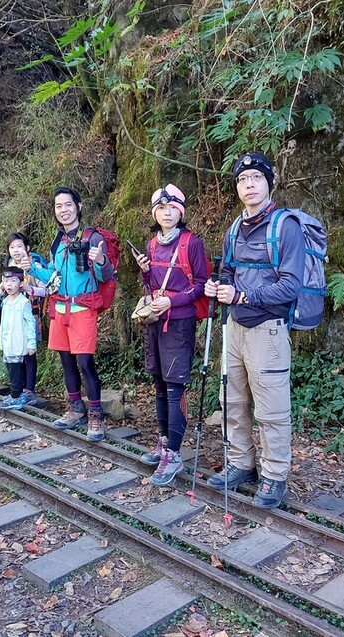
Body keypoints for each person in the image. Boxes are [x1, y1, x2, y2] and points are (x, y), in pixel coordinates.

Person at [204, 151, 305, 509]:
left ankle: (275, 475)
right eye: (243, 180)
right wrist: (220, 286)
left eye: (256, 178)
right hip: (235, 327)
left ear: (268, 183)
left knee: (272, 408)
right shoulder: (235, 227)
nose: (249, 184)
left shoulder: (285, 226)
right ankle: (241, 464)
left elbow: (291, 284)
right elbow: (228, 270)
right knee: (232, 400)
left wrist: (243, 295)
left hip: (268, 330)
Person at [21, 187, 114, 441]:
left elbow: (107, 276)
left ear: (79, 206)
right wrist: (34, 269)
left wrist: (101, 261)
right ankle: (75, 408)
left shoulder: (93, 238)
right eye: (58, 206)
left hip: (83, 307)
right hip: (60, 308)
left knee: (85, 363)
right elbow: (54, 276)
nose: (63, 210)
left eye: (68, 205)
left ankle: (96, 414)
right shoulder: (57, 241)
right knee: (66, 362)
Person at [133, 184, 208, 486]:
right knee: (160, 384)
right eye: (161, 208)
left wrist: (172, 301)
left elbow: (202, 284)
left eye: (172, 207)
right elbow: (152, 285)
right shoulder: (152, 244)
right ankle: (164, 442)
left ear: (181, 211)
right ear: (154, 213)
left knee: (175, 386)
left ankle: (174, 455)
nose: (166, 212)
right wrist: (144, 271)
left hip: (179, 323)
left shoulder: (192, 243)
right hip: (156, 321)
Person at [3, 232, 47, 407]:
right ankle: (18, 389)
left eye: (19, 247)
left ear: (27, 248)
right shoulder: (10, 265)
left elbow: (47, 289)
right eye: (12, 247)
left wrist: (31, 290)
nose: (16, 251)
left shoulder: (34, 265)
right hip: (14, 315)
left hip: (32, 313)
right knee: (16, 351)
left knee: (29, 352)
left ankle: (29, 390)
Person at [0, 266, 37, 410]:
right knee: (11, 368)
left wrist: (31, 343)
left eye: (13, 281)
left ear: (20, 283)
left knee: (15, 369)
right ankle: (16, 393)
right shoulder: (6, 300)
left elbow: (31, 323)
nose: (9, 285)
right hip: (8, 342)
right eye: (6, 281)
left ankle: (16, 396)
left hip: (18, 342)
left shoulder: (23, 302)